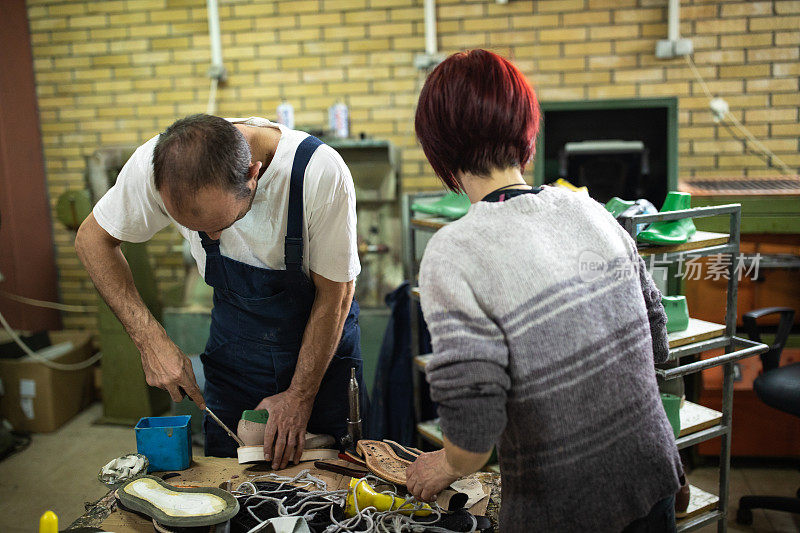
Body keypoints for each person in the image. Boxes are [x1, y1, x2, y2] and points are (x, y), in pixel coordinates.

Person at [404, 50, 682, 532]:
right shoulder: (589, 210)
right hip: (653, 477)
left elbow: (473, 441)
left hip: (569, 508)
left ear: (439, 146)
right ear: (524, 127)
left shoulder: (454, 250)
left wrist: (445, 465)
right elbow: (658, 341)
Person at [75, 115, 363, 468]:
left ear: (252, 175)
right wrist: (150, 340)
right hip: (235, 353)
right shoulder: (154, 166)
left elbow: (335, 294)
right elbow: (92, 239)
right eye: (198, 230)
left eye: (222, 225)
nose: (212, 238)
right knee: (229, 485)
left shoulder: (318, 173)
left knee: (327, 487)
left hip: (322, 355)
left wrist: (300, 396)